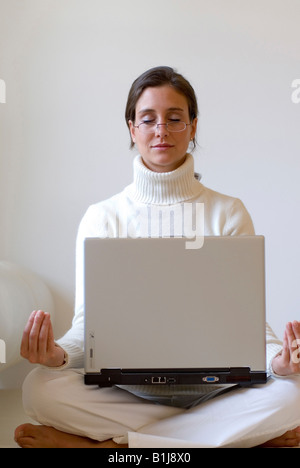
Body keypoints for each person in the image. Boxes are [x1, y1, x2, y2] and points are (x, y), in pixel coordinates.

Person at [15, 66, 300, 448]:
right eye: (148, 119)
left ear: (193, 126)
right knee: (39, 387)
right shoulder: (103, 216)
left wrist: (278, 362)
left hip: (219, 387)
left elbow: (247, 326)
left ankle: (115, 446)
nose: (161, 130)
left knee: (293, 389)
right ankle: (233, 439)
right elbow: (89, 327)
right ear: (132, 128)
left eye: (175, 119)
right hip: (130, 391)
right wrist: (58, 354)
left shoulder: (228, 212)